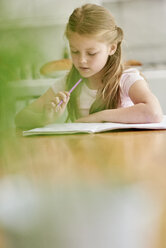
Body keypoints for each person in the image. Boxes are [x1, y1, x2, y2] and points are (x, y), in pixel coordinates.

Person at [15, 3, 163, 130]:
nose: (82, 60)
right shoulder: (68, 83)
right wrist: (44, 118)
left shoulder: (126, 79)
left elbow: (154, 113)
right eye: (74, 51)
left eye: (91, 53)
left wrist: (98, 117)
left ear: (111, 48)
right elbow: (20, 118)